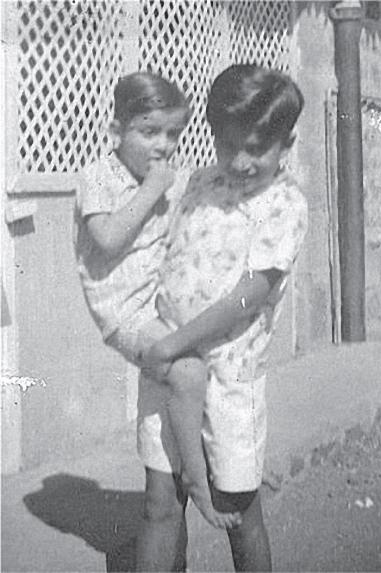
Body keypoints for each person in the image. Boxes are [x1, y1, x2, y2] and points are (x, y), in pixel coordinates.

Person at [134, 64, 308, 572]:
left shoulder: (285, 204)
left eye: (256, 148)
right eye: (228, 145)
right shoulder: (200, 182)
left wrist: (174, 342)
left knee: (236, 508)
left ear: (286, 143)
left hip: (230, 378)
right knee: (160, 501)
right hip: (170, 370)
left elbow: (248, 296)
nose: (240, 161)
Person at [74, 70, 241, 534]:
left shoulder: (167, 176)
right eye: (149, 132)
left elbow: (205, 187)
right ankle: (197, 478)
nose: (163, 145)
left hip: (162, 304)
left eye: (172, 133)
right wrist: (152, 189)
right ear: (116, 131)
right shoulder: (98, 177)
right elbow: (107, 238)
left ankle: (223, 462)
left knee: (221, 354)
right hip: (126, 314)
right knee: (187, 373)